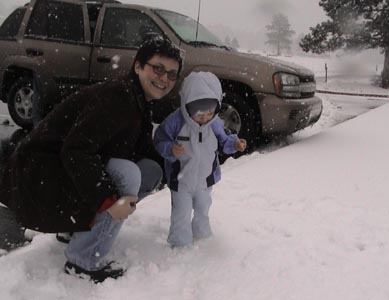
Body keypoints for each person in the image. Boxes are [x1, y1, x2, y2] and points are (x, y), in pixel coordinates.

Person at [0, 35, 183, 283]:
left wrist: (176, 167)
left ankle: (77, 228)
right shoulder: (118, 98)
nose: (164, 78)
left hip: (57, 171)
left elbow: (142, 150)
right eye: (158, 68)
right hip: (40, 176)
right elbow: (75, 150)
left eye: (172, 74)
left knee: (149, 170)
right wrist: (108, 202)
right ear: (138, 66)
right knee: (129, 175)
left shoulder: (137, 98)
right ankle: (83, 259)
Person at [153, 72, 247, 247]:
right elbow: (159, 139)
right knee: (181, 212)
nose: (205, 118)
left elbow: (225, 140)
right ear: (187, 106)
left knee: (203, 208)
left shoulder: (215, 123)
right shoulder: (176, 121)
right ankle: (180, 243)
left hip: (205, 179)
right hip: (181, 180)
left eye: (210, 113)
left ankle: (202, 235)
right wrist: (170, 149)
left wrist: (235, 144)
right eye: (199, 114)